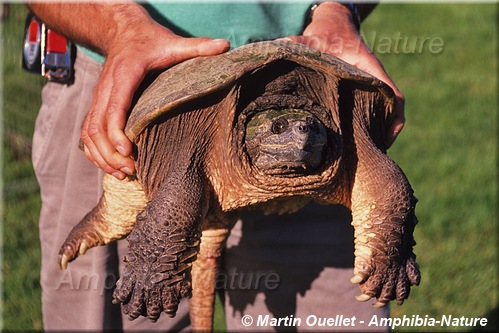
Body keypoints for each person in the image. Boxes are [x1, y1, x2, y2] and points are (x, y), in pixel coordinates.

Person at [27, 1, 405, 331]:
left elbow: (385, 186)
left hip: (319, 66)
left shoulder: (328, 128)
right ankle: (126, 234)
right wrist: (119, 26)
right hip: (129, 71)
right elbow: (176, 200)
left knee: (344, 306)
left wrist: (340, 8)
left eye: (307, 129)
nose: (301, 137)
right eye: (280, 129)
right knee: (133, 293)